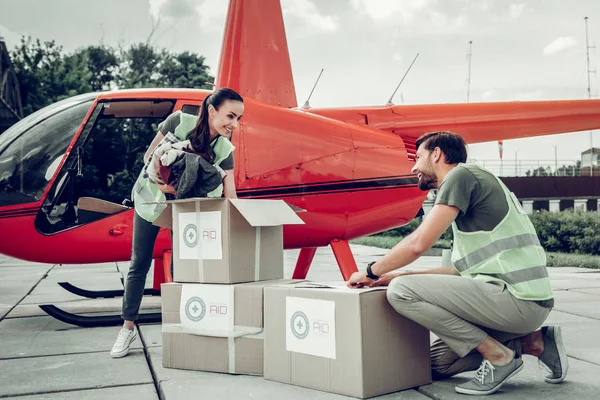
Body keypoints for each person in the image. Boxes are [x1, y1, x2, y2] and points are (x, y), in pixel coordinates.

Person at [347, 131, 567, 396]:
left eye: (418, 157)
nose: (414, 166)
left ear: (436, 154)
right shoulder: (470, 196)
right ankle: (536, 343)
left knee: (401, 292)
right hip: (511, 302)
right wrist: (402, 273)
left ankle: (499, 357)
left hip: (518, 300)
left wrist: (372, 272)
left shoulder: (461, 176)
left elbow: (418, 243)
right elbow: (458, 272)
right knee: (436, 364)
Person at [110, 88, 244, 358]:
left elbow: (230, 194)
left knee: (185, 267)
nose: (235, 124)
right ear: (211, 110)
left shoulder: (224, 149)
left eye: (239, 118)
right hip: (151, 201)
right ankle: (127, 328)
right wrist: (164, 182)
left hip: (186, 210)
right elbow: (149, 157)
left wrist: (243, 223)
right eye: (231, 116)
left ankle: (188, 325)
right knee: (139, 264)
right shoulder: (177, 122)